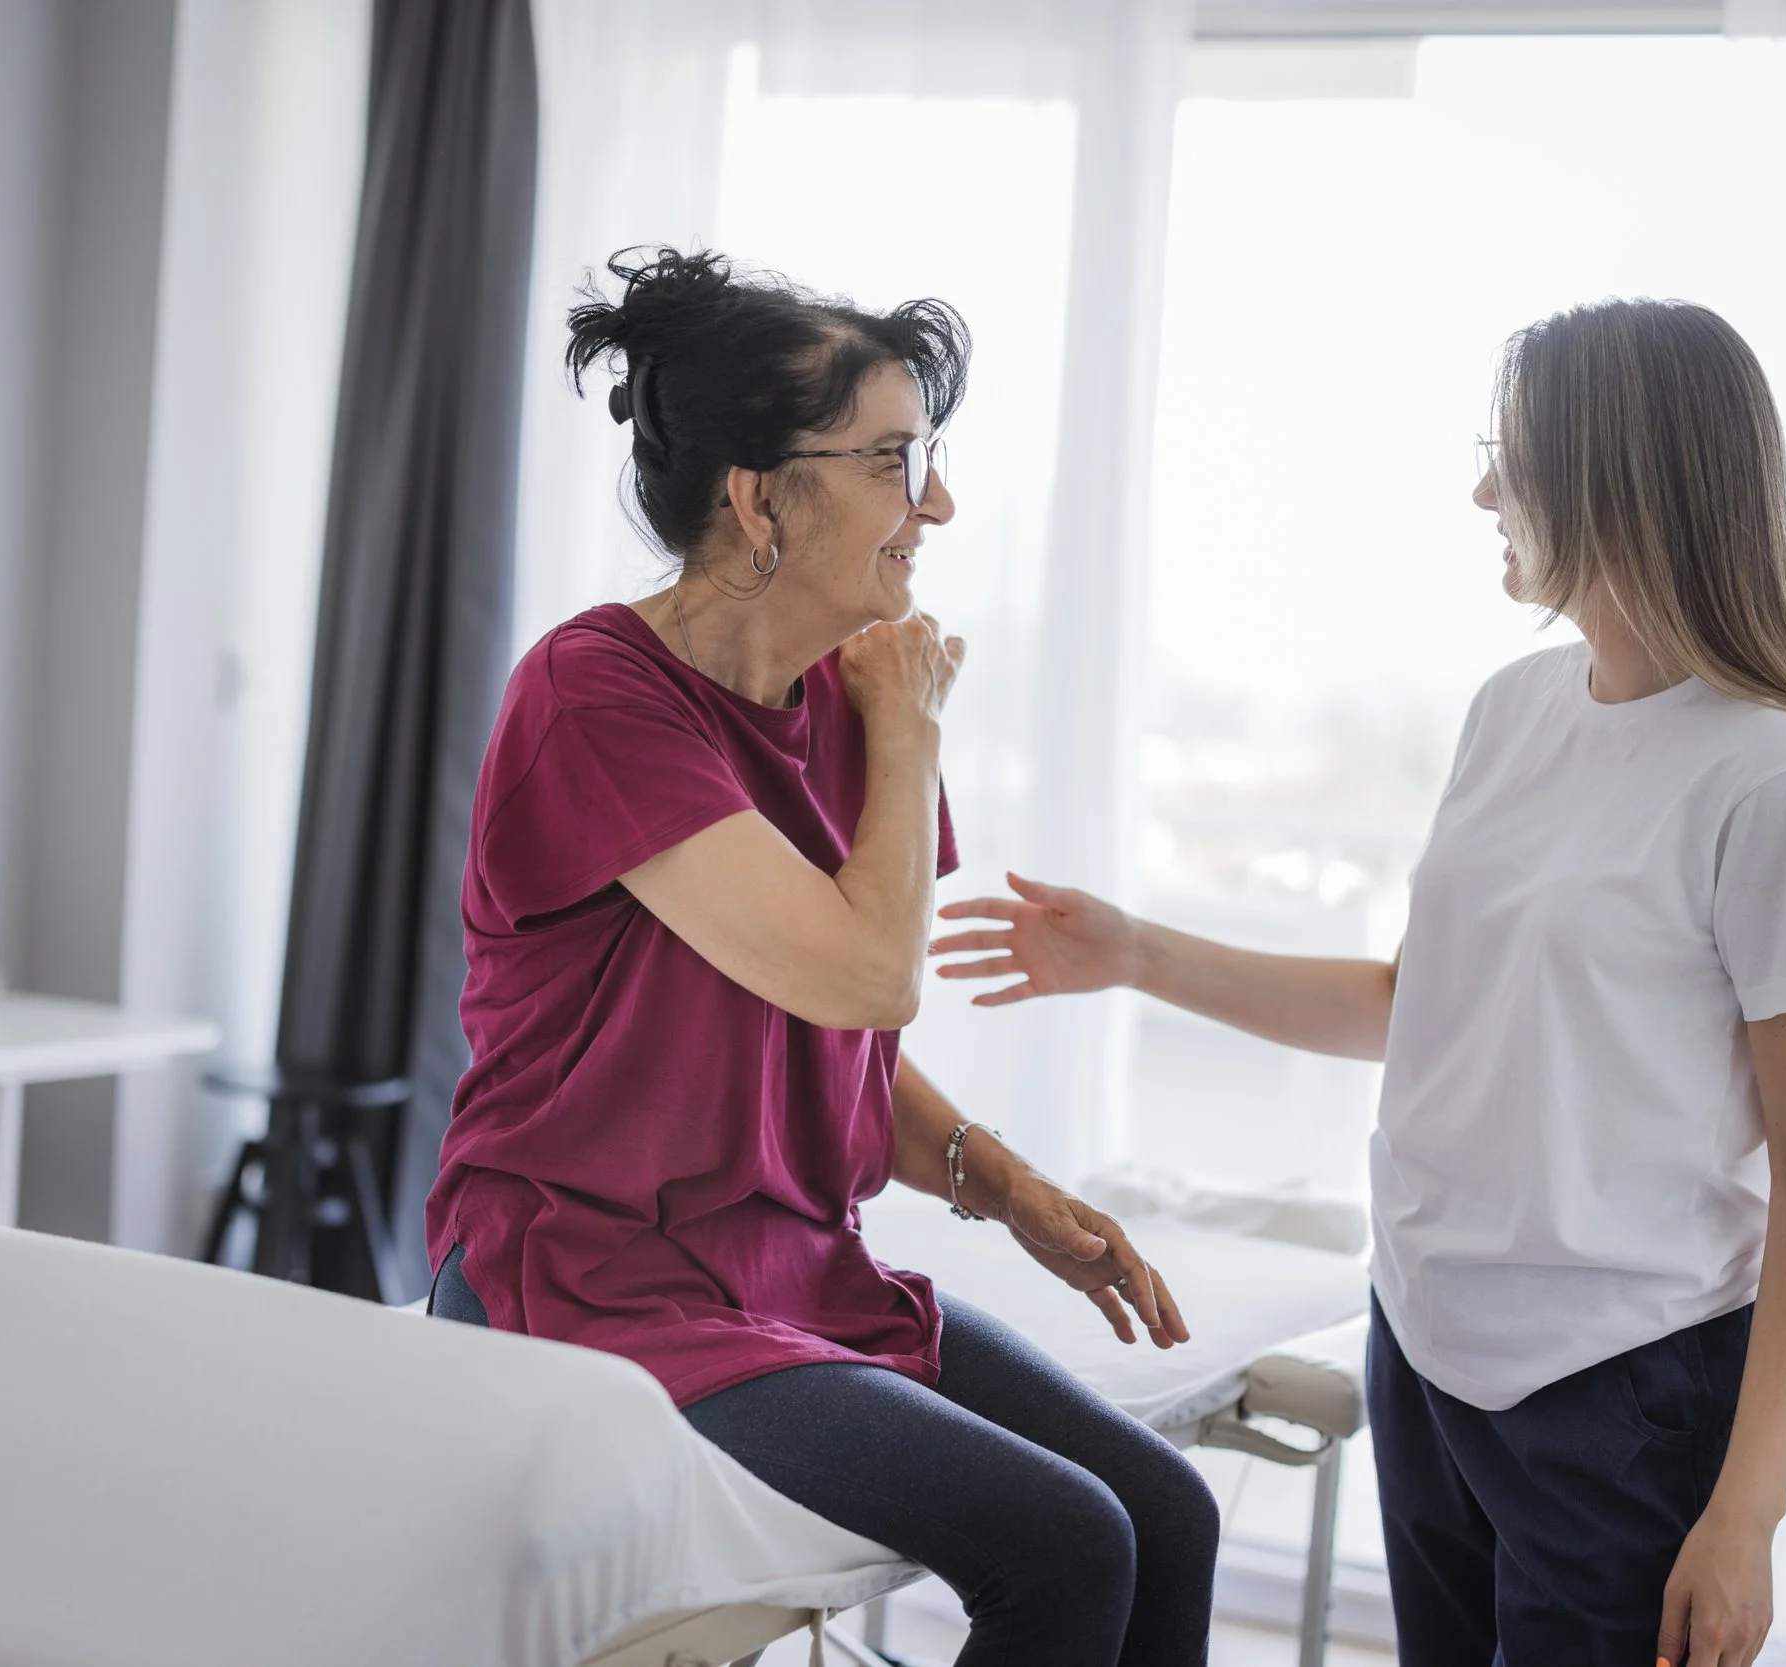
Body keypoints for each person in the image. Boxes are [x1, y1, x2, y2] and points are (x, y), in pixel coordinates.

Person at [932, 298, 1786, 1667]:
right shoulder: (1517, 709)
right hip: (1429, 1345)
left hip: (1620, 1390)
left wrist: (1748, 1508)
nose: (1484, 489)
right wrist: (1134, 953)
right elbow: (1413, 1001)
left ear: (1619, 476)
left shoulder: (1774, 780)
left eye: (1515, 454)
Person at [422, 248, 1217, 1667]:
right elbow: (867, 976)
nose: (940, 504)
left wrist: (1012, 1188)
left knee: (1168, 1505)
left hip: (790, 1264)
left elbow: (836, 1043)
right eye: (897, 459)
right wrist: (911, 736)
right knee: (1068, 1541)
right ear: (754, 495)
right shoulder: (593, 692)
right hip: (595, 1275)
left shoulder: (844, 703)